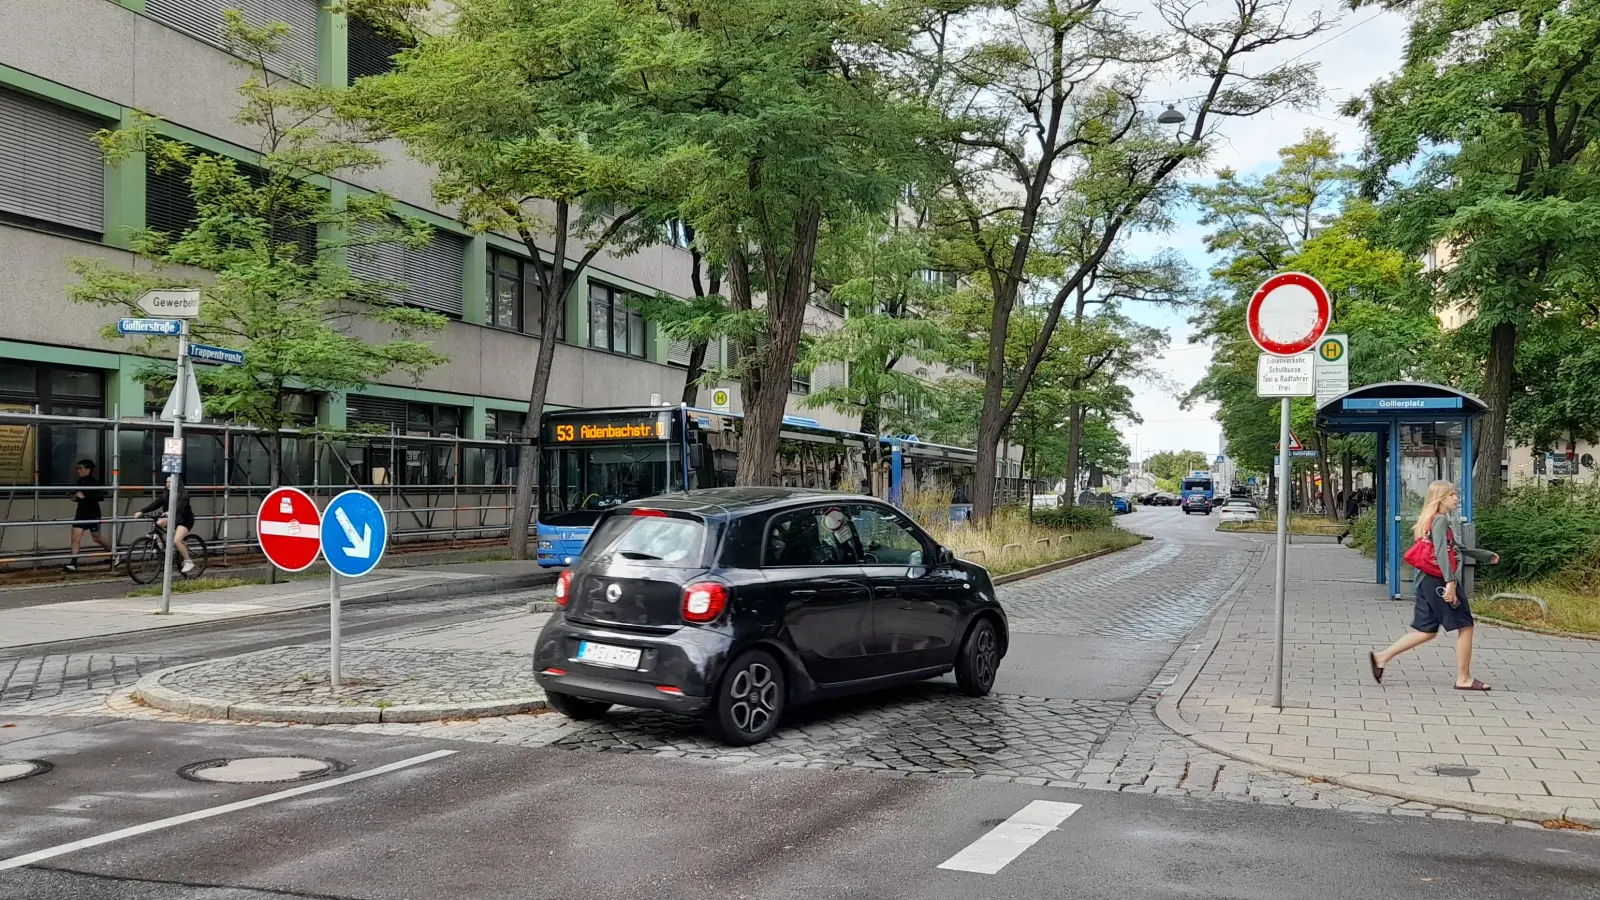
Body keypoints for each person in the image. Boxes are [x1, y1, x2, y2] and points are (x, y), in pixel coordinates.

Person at [1369, 480, 1499, 691]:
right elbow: (1440, 553)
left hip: (1425, 581)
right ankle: (1464, 678)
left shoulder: (1428, 520)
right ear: (1440, 498)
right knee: (1466, 625)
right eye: (1452, 495)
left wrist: (1482, 555)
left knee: (1427, 630)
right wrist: (1450, 583)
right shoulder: (1440, 520)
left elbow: (1452, 546)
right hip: (1438, 581)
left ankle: (1381, 657)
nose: (1456, 498)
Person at [138, 476, 197, 574]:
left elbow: (180, 507)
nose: (168, 484)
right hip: (172, 519)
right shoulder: (166, 494)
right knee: (159, 523)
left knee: (177, 540)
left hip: (184, 520)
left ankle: (188, 561)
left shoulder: (183, 494)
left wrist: (169, 512)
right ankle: (161, 545)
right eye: (167, 482)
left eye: (170, 482)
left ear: (177, 483)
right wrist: (142, 511)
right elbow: (156, 503)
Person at [66, 459, 114, 571]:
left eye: (80, 468)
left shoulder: (94, 482)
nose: (78, 471)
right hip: (81, 512)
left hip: (93, 512)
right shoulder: (79, 481)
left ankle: (113, 553)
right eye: (77, 468)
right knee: (75, 537)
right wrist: (74, 497)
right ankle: (73, 563)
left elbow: (100, 497)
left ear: (88, 469)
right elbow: (78, 496)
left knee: (97, 537)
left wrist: (83, 497)